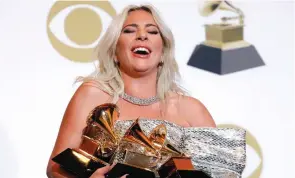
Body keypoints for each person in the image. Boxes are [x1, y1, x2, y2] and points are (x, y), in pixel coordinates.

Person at [46, 4, 245, 178]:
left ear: (163, 52)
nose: (142, 36)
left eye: (152, 31)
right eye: (130, 30)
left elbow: (219, 172)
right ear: (115, 51)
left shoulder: (191, 109)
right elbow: (55, 168)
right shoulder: (93, 94)